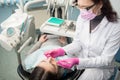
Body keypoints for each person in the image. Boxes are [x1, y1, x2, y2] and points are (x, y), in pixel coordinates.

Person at [44, 0, 120, 80]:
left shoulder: (115, 26)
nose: (82, 11)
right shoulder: (82, 17)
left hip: (100, 68)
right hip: (81, 60)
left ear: (100, 4)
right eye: (79, 6)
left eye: (85, 8)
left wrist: (78, 61)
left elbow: (105, 60)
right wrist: (62, 50)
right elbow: (78, 43)